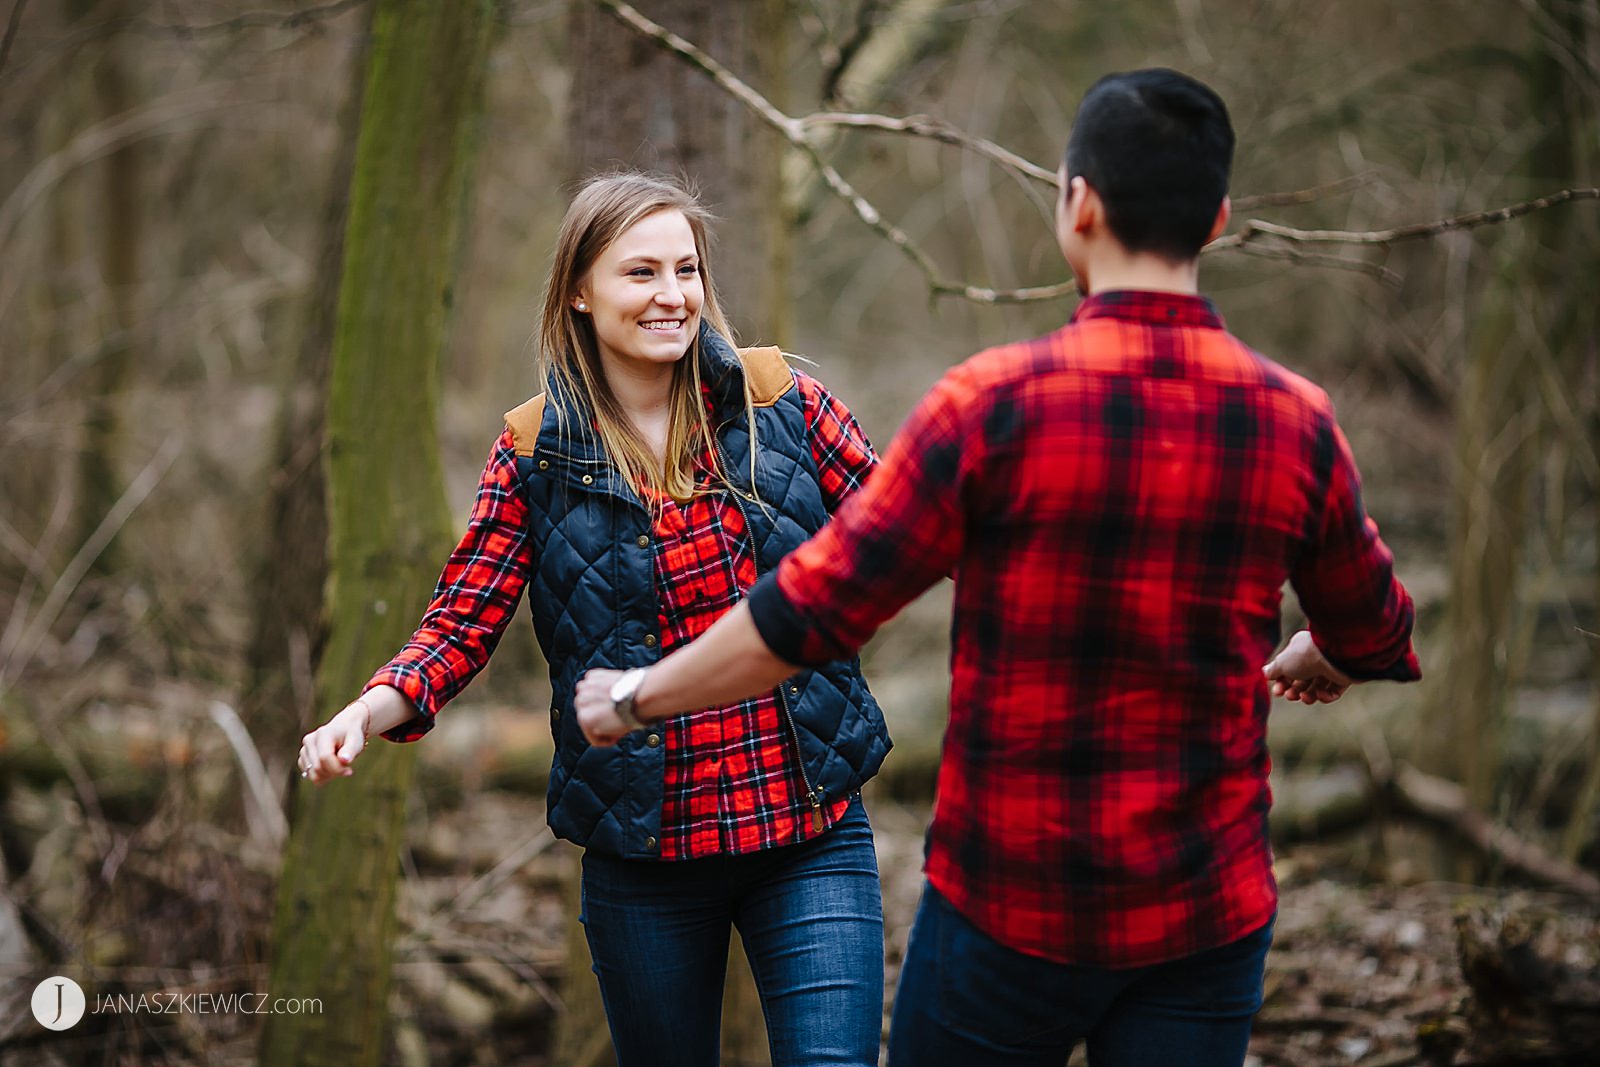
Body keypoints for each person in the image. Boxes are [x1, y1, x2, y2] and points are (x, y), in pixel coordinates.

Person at [573, 70, 1422, 1067]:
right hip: (1204, 914)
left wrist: (637, 695)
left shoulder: (990, 406)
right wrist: (1321, 643)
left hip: (1006, 912)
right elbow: (1378, 629)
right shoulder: (1296, 421)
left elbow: (809, 612)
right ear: (1220, 219)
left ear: (1079, 204)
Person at [296, 171, 892, 1067]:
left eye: (686, 270)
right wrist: (365, 711)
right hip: (643, 859)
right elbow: (460, 625)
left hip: (806, 833)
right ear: (579, 291)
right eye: (640, 272)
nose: (672, 296)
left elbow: (914, 526)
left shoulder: (783, 408)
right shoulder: (536, 454)